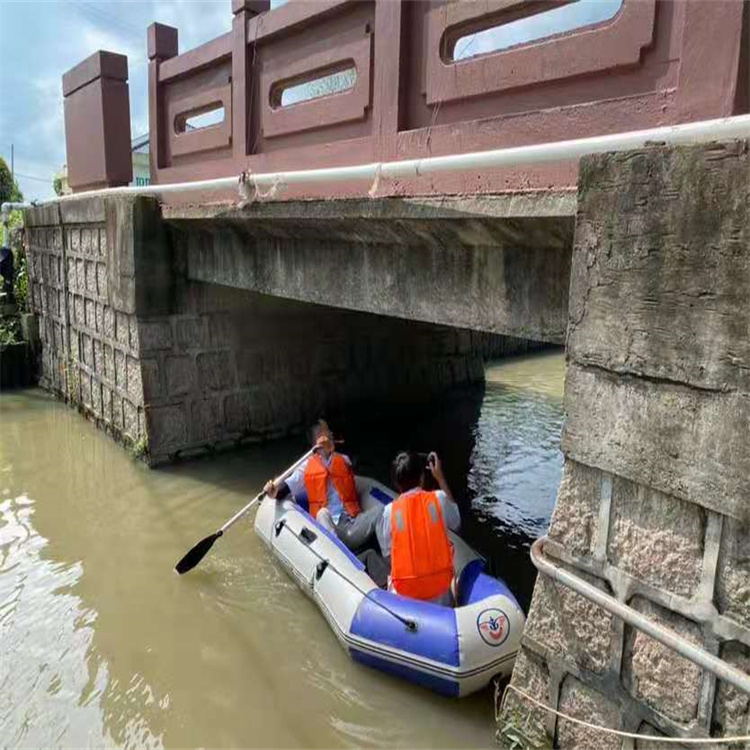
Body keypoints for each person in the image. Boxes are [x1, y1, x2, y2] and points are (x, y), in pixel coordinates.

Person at [264, 420, 383, 552]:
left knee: (382, 510)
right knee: (322, 514)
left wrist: (328, 448)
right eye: (325, 431)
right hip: (330, 526)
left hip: (353, 523)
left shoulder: (343, 458)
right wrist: (274, 490)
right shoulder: (305, 467)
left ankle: (389, 559)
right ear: (318, 438)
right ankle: (340, 559)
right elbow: (285, 488)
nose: (331, 433)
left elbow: (355, 458)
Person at [375, 450, 461, 606]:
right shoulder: (439, 499)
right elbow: (456, 522)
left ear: (396, 483)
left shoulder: (389, 512)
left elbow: (388, 554)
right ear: (422, 477)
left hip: (406, 600)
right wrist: (440, 478)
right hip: (441, 599)